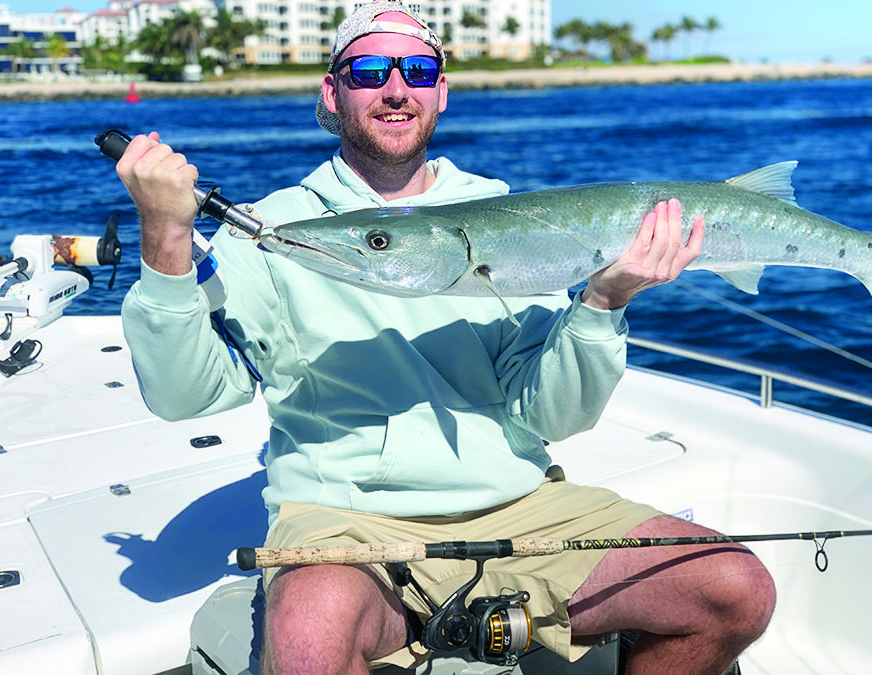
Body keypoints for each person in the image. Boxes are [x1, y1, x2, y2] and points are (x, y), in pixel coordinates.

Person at [115, 2, 776, 674]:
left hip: (520, 506)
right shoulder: (274, 229)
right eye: (369, 70)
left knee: (733, 588)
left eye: (418, 69)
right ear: (332, 90)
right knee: (310, 640)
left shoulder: (511, 216)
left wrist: (604, 301)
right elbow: (183, 395)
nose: (396, 89)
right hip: (347, 520)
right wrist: (166, 237)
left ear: (441, 91)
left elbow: (552, 416)